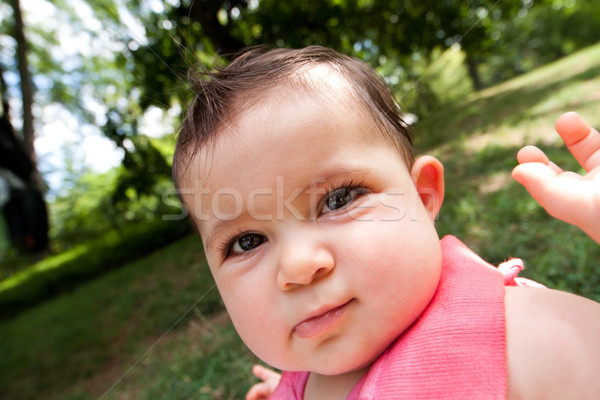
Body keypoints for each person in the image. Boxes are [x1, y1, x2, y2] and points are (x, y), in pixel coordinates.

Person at [172, 45, 600, 399]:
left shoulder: (518, 337)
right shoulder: (302, 378)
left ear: (422, 196)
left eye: (337, 199)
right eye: (247, 241)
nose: (299, 265)